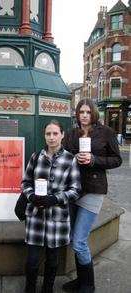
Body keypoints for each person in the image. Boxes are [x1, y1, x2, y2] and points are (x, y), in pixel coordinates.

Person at [62, 98, 122, 293]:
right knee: (74, 238)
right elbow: (64, 154)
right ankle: (81, 280)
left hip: (94, 190)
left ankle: (89, 285)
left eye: (88, 112)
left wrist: (94, 159)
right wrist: (75, 157)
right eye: (81, 112)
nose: (84, 115)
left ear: (93, 113)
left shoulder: (106, 133)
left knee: (79, 241)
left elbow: (116, 159)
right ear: (77, 114)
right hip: (73, 189)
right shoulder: (71, 134)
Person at [22, 120, 81, 293]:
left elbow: (75, 190)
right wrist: (31, 195)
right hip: (36, 217)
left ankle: (48, 289)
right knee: (32, 260)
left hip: (57, 217)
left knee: (53, 260)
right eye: (48, 134)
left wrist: (55, 199)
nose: (52, 137)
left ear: (62, 135)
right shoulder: (36, 157)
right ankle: (29, 288)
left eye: (55, 133)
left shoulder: (70, 160)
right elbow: (25, 182)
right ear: (44, 136)